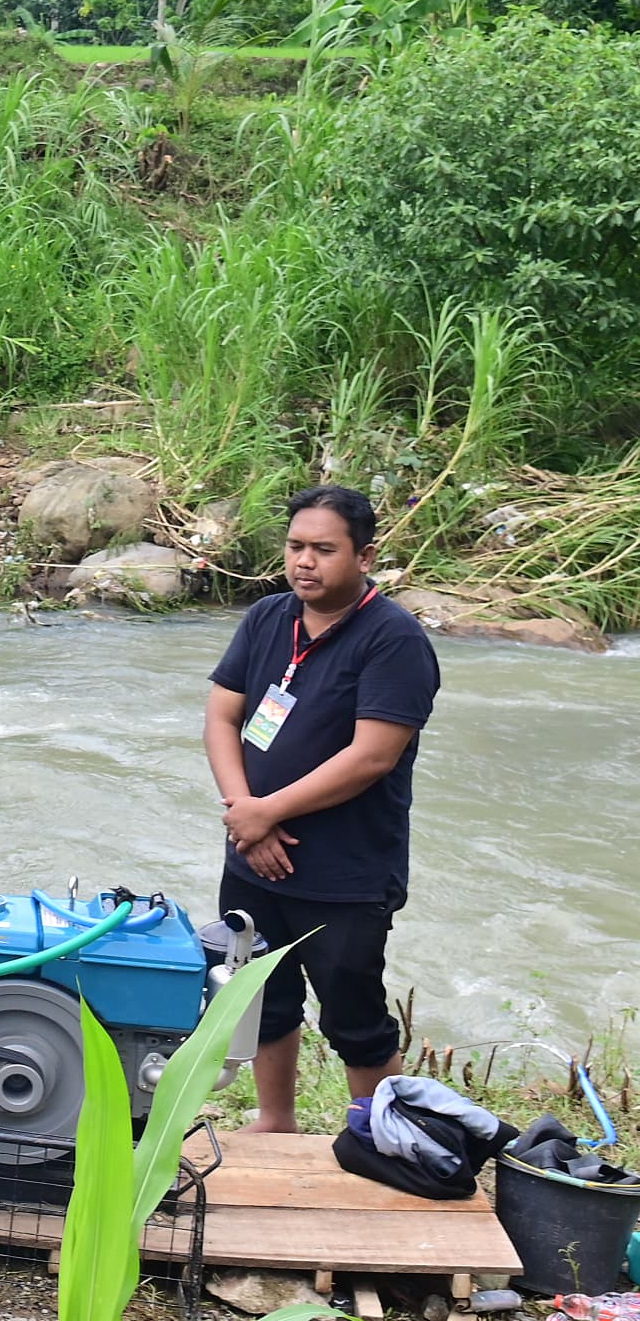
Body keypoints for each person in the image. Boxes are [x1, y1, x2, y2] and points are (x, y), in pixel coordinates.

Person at [204, 484, 440, 1134]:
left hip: (345, 873)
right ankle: (276, 1119)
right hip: (253, 855)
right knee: (261, 996)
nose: (305, 561)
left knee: (353, 1016)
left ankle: (389, 1138)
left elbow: (372, 756)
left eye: (324, 550)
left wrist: (264, 811)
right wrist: (246, 812)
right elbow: (223, 715)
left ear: (365, 556)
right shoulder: (267, 618)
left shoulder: (393, 640)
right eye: (295, 546)